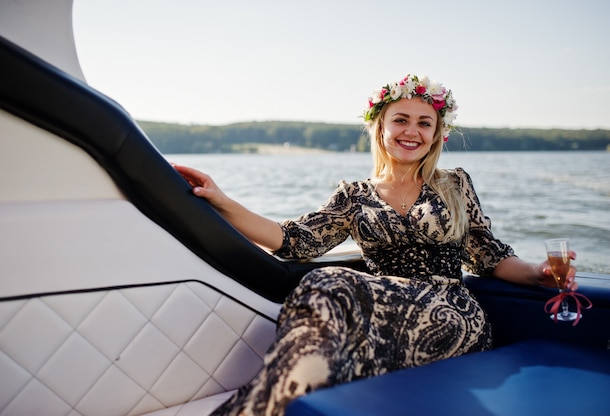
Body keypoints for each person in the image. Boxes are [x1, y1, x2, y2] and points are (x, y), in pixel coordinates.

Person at [173, 73, 577, 416]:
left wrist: (538, 273)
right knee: (323, 298)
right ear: (380, 128)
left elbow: (489, 255)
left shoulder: (454, 184)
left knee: (331, 281)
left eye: (424, 123)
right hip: (381, 316)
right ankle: (279, 403)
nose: (412, 131)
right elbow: (294, 240)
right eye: (401, 120)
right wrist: (223, 202)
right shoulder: (354, 196)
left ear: (437, 134)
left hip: (451, 314)